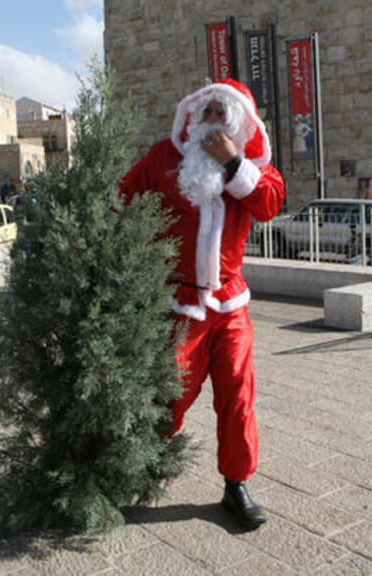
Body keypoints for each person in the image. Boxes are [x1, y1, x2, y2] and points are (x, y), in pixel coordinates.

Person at [120, 78, 284, 530]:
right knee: (168, 392)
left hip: (230, 305)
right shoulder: (164, 157)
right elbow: (122, 200)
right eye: (205, 112)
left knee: (237, 395)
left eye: (220, 114)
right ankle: (138, 467)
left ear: (237, 126)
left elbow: (269, 204)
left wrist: (232, 163)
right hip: (178, 303)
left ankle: (236, 484)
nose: (210, 121)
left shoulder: (252, 167)